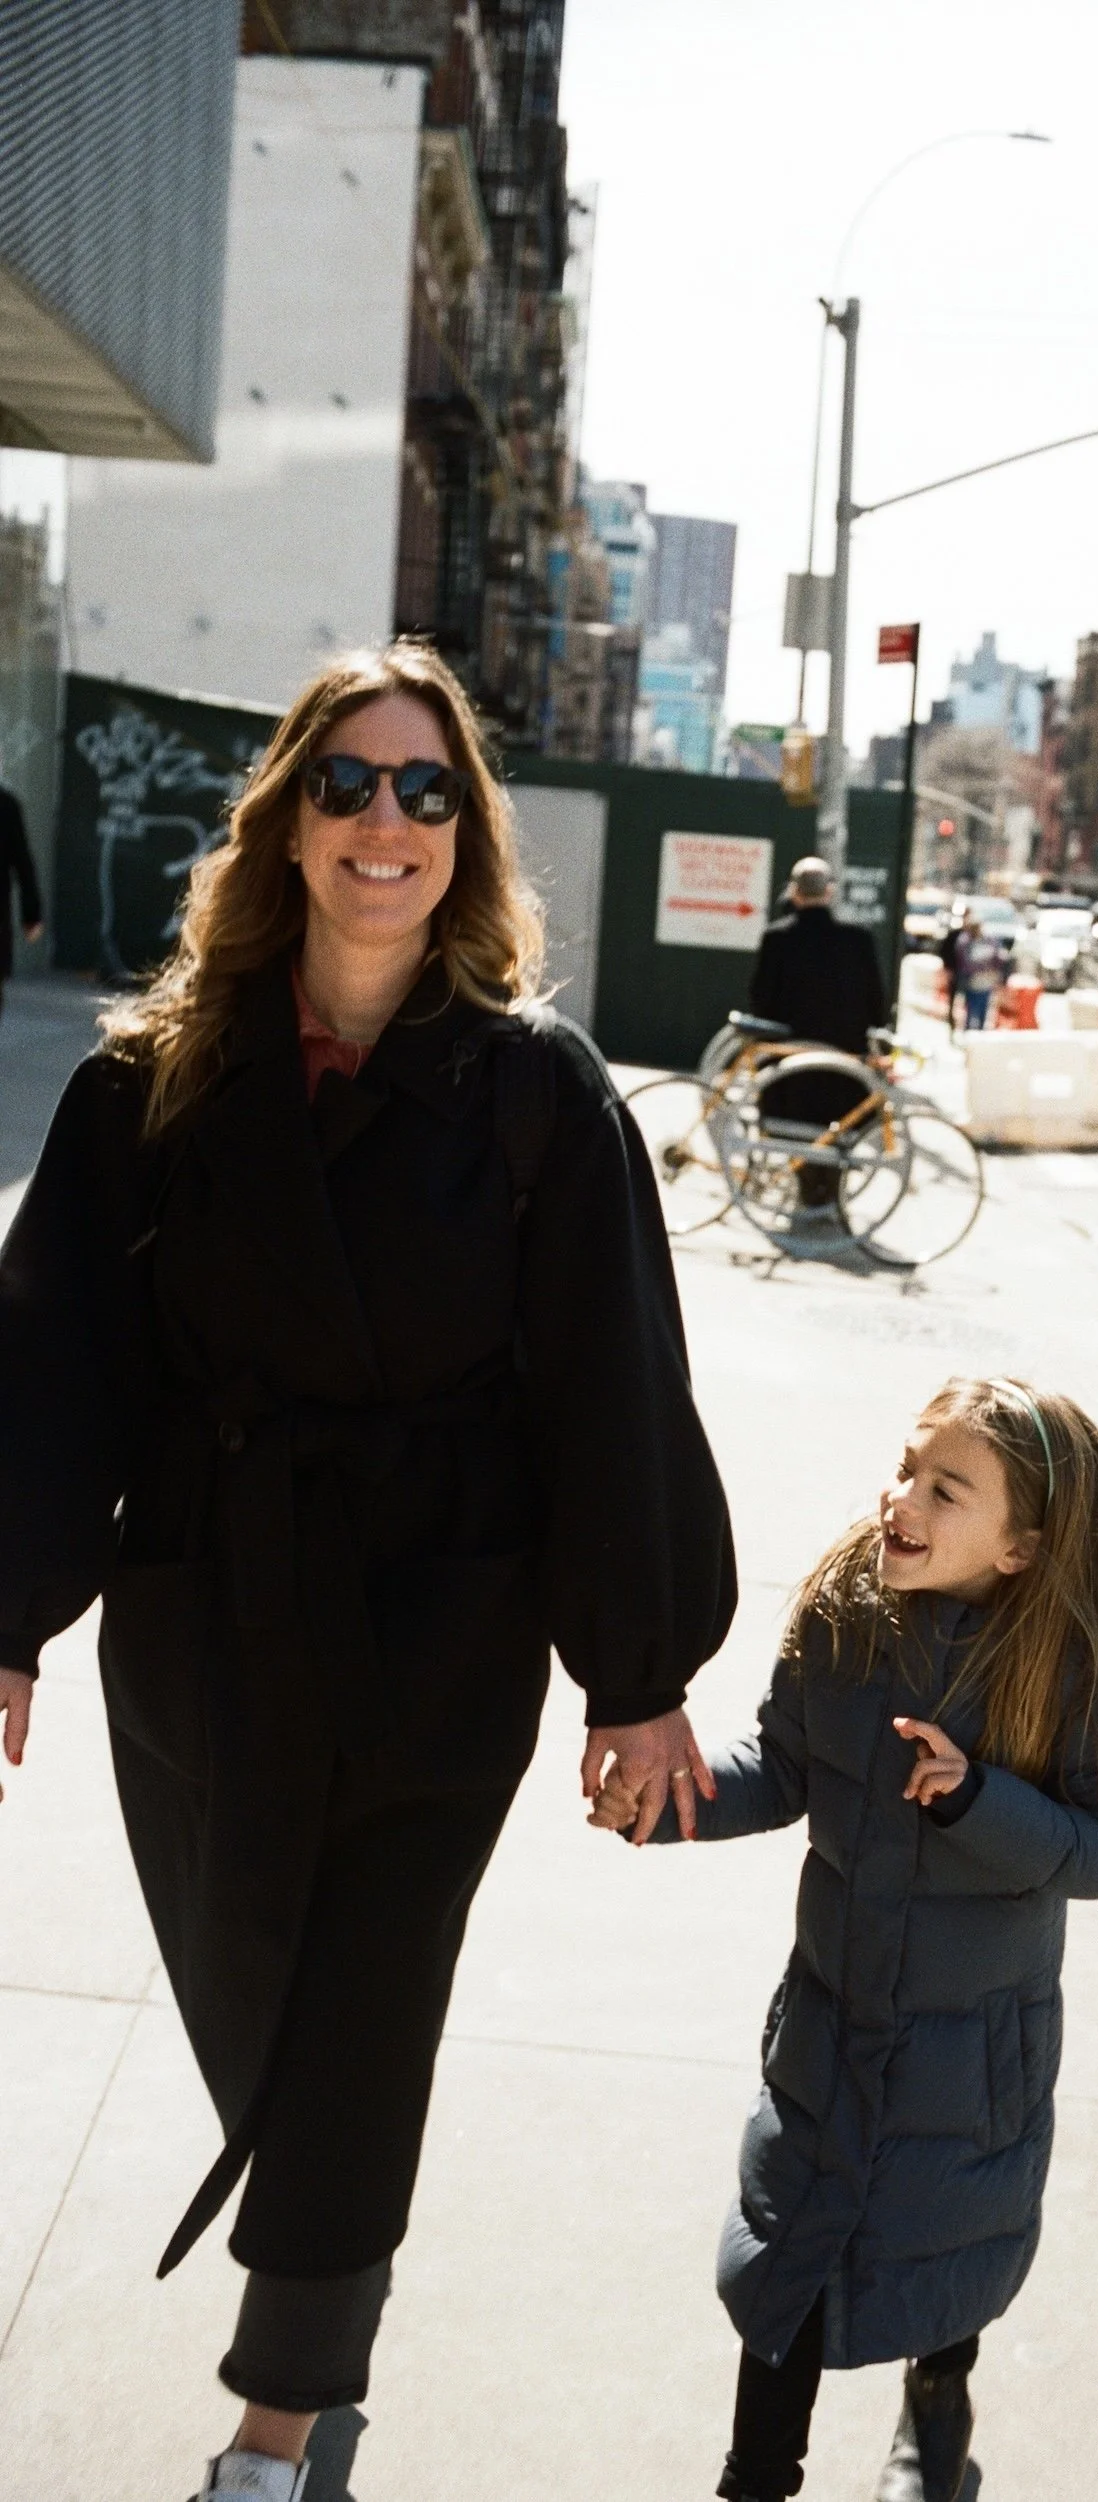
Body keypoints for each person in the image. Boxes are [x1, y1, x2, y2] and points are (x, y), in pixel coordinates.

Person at [0, 642, 736, 2502]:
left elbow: (613, 1381)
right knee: (255, 1988)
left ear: (467, 836)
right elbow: (54, 1358)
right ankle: (331, 2300)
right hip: (202, 1612)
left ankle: (277, 2426)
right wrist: (4, 1607)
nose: (384, 821)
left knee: (362, 2007)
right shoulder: (151, 1081)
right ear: (287, 823)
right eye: (347, 783)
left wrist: (633, 1671)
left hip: (443, 1621)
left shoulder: (537, 1099)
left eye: (426, 789)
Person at [592, 1374, 1098, 2502]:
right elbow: (780, 1768)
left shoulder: (1068, 1669)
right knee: (788, 2265)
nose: (900, 1498)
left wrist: (979, 1801)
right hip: (830, 2020)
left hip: (970, 2061)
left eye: (945, 1487)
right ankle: (755, 2477)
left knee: (943, 2253)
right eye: (907, 1466)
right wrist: (669, 1801)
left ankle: (937, 2416)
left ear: (1020, 1548)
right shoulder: (842, 1616)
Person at [747, 855, 889, 1217]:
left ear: (794, 892)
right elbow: (878, 1005)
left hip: (791, 1077)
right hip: (845, 1076)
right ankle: (829, 1190)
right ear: (830, 892)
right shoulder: (858, 941)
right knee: (839, 1122)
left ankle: (808, 1186)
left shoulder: (776, 938)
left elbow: (760, 1003)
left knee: (797, 1118)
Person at [0, 760, 45, 1020]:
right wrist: (32, 915)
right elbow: (23, 863)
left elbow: (23, 864)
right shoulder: (6, 806)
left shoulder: (7, 806)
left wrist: (32, 913)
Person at [954, 914, 1005, 1032]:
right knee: (971, 1009)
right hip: (971, 981)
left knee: (983, 1009)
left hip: (985, 981)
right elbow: (963, 961)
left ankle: (980, 1032)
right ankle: (968, 1032)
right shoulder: (965, 941)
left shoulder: (989, 941)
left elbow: (998, 957)